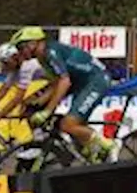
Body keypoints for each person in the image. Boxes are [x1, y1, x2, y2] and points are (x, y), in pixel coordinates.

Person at [9, 26, 116, 163]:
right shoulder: (42, 57)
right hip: (80, 82)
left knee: (68, 125)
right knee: (33, 105)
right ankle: (88, 152)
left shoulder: (50, 52)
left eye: (21, 47)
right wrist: (38, 101)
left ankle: (110, 145)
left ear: (32, 43)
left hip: (95, 81)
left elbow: (64, 82)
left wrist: (47, 111)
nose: (20, 52)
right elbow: (55, 83)